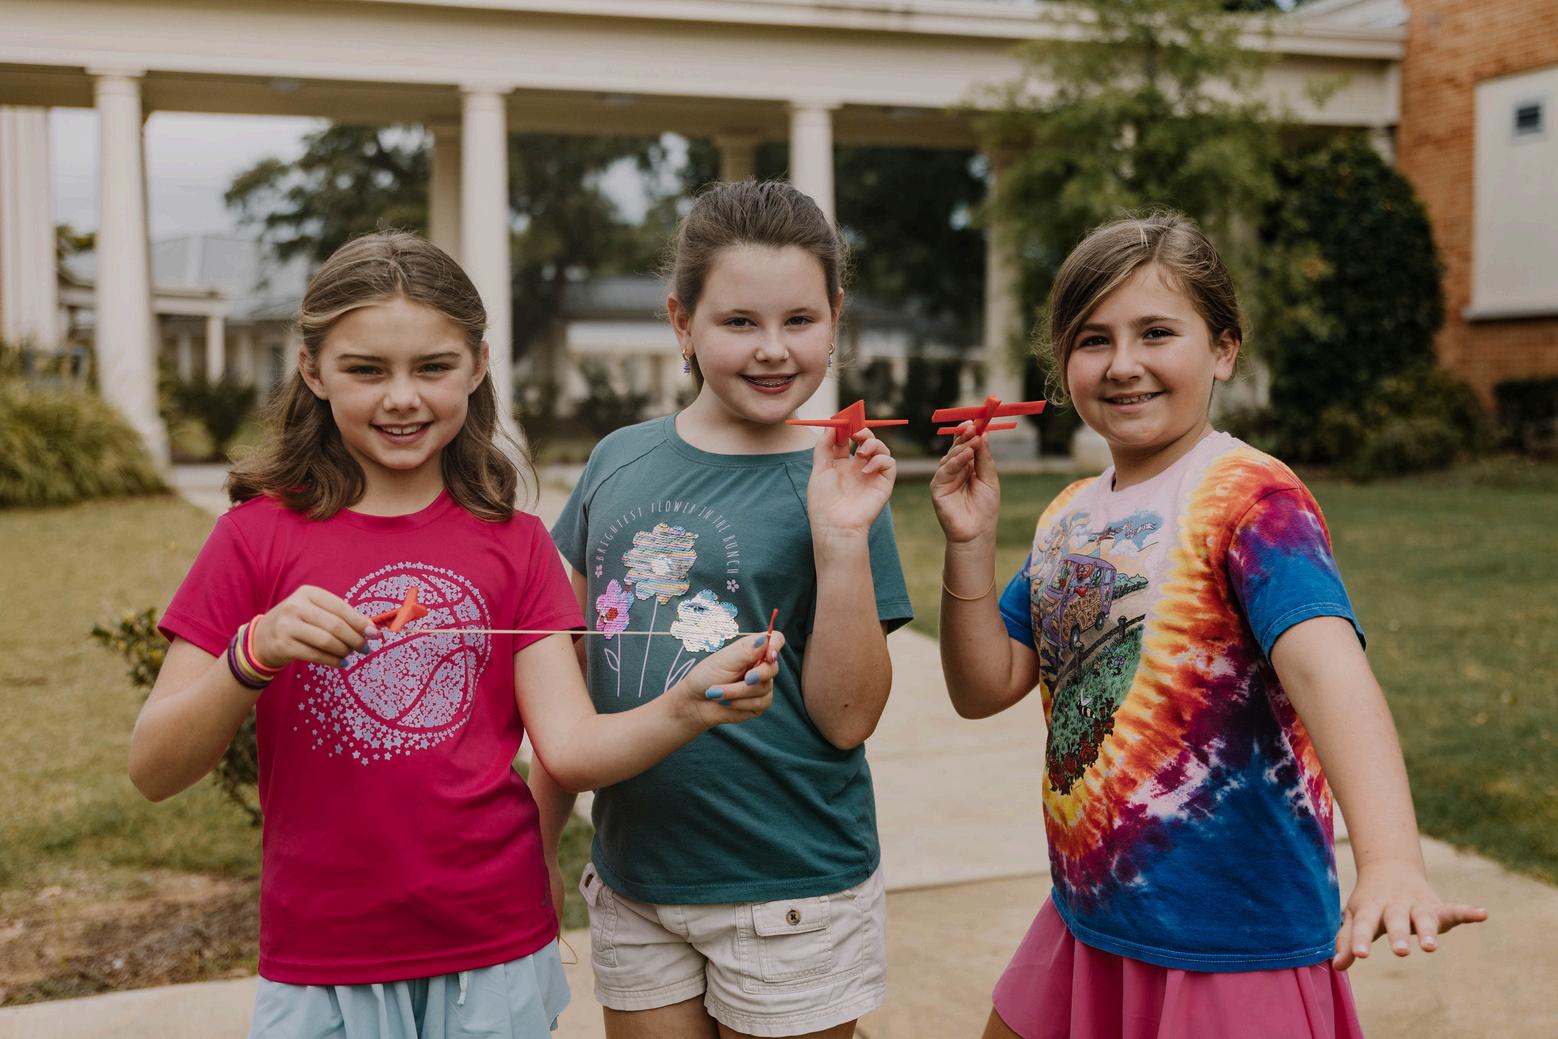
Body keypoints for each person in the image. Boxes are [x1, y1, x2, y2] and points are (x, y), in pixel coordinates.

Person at [128, 231, 781, 1039]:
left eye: (432, 367)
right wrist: (251, 654)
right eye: (367, 370)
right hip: (322, 954)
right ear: (312, 370)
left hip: (493, 948)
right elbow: (155, 768)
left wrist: (689, 705)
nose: (402, 397)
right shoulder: (254, 539)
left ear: (477, 366)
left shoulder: (515, 542)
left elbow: (570, 749)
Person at [931, 213, 1487, 1039]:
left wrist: (1391, 859)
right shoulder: (1071, 515)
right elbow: (983, 686)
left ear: (1223, 349)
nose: (1124, 363)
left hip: (1231, 941)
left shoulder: (1250, 499)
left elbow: (1327, 671)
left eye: (1157, 332)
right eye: (1093, 339)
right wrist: (970, 543)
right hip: (1089, 920)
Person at [537, 180, 913, 1039]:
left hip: (791, 889)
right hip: (637, 880)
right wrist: (539, 842)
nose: (773, 349)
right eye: (739, 321)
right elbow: (567, 673)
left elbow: (849, 716)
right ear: (682, 322)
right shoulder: (617, 460)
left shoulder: (843, 477)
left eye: (800, 320)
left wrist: (840, 537)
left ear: (835, 316)